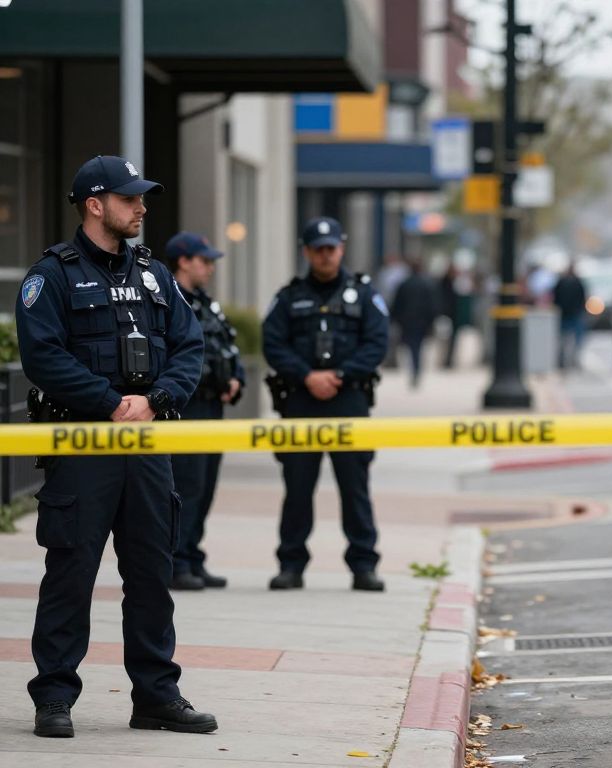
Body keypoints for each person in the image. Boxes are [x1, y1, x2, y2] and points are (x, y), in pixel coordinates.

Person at [15, 155, 216, 737]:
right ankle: (54, 697)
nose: (142, 207)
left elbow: (189, 344)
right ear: (95, 204)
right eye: (131, 199)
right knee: (71, 573)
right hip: (84, 445)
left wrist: (156, 400)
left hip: (147, 441)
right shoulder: (51, 275)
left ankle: (156, 695)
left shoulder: (153, 274)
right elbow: (43, 357)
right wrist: (108, 402)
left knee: (153, 572)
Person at [262, 216, 389, 592]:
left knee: (355, 487)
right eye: (317, 249)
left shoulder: (364, 294)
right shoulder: (288, 297)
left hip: (349, 399)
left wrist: (340, 376)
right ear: (306, 251)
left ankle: (364, 565)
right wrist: (307, 376)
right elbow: (273, 344)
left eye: (330, 248)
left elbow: (377, 342)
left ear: (342, 248)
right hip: (301, 400)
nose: (325, 255)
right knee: (297, 487)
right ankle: (291, 564)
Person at [162, 232, 245, 591]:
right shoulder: (166, 299)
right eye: (204, 261)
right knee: (187, 487)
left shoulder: (206, 303)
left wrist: (236, 378)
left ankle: (193, 557)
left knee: (206, 486)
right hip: (188, 407)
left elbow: (227, 346)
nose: (210, 268)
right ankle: (176, 562)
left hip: (213, 406)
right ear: (184, 261)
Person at [391, 258, 438, 388]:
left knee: (412, 347)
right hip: (421, 321)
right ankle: (416, 369)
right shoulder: (427, 284)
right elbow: (433, 305)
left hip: (408, 321)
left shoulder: (404, 284)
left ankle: (415, 369)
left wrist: (395, 319)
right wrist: (432, 321)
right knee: (418, 347)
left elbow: (397, 304)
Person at [552, 261, 588, 368]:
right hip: (573, 314)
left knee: (563, 338)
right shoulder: (577, 282)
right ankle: (571, 358)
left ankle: (563, 358)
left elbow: (555, 297)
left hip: (565, 314)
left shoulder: (561, 282)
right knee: (574, 338)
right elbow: (583, 298)